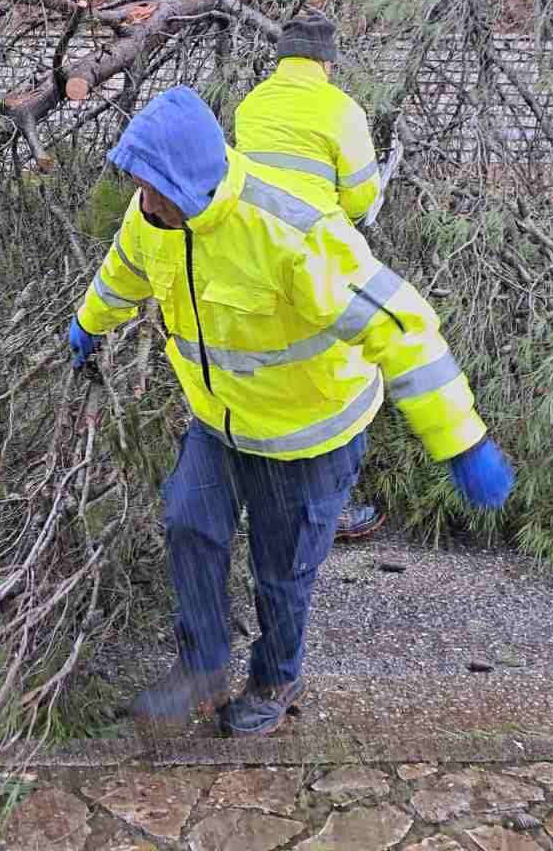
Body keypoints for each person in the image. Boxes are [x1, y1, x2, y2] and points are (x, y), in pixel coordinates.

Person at [68, 86, 513, 737]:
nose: (145, 200)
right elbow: (125, 271)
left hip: (309, 437)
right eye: (139, 184)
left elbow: (402, 326)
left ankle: (275, 678)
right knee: (189, 525)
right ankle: (204, 671)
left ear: (193, 181)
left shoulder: (290, 230)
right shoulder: (152, 218)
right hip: (220, 422)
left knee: (281, 572)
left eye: (156, 188)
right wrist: (89, 323)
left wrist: (462, 441)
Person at [233, 13, 387, 541]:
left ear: (282, 58)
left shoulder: (251, 105)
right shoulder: (341, 109)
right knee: (331, 384)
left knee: (264, 375)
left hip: (250, 262)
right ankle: (326, 511)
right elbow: (363, 198)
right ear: (327, 63)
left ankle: (260, 498)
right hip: (317, 264)